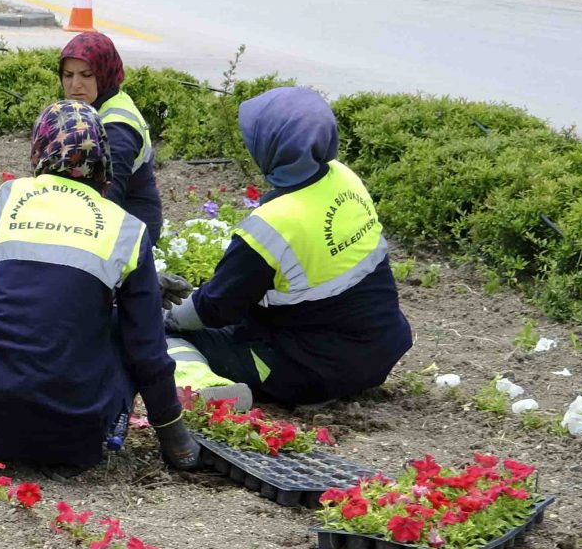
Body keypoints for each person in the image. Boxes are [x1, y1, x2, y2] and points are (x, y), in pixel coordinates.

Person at [0, 102, 200, 470]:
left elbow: (38, 284)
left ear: (39, 148)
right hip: (72, 435)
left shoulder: (9, 197)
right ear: (103, 159)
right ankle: (132, 430)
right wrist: (174, 434)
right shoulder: (127, 229)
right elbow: (148, 352)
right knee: (129, 324)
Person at [166, 87, 414, 405]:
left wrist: (165, 316)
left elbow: (214, 308)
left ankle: (206, 388)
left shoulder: (273, 224)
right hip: (380, 349)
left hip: (310, 371)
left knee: (157, 336)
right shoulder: (344, 177)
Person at [58, 30, 158, 247]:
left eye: (86, 75)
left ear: (105, 74)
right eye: (68, 75)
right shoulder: (96, 104)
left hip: (129, 235)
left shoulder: (118, 129)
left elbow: (108, 200)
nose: (75, 84)